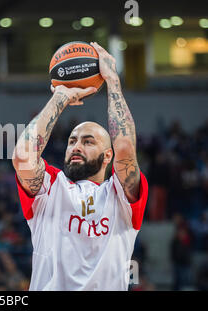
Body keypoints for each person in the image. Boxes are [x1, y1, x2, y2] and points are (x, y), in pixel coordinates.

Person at [12, 42, 149, 291]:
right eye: (72, 141)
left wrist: (112, 81)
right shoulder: (51, 187)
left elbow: (126, 148)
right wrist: (60, 98)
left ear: (108, 156)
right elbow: (22, 156)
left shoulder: (120, 198)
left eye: (88, 142)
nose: (76, 146)